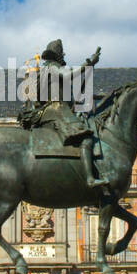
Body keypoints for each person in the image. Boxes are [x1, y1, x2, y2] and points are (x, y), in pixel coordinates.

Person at [17, 39, 107, 188]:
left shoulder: (44, 70)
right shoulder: (53, 67)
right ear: (58, 55)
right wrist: (89, 63)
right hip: (57, 110)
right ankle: (90, 178)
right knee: (86, 138)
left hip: (47, 112)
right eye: (61, 53)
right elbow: (69, 74)